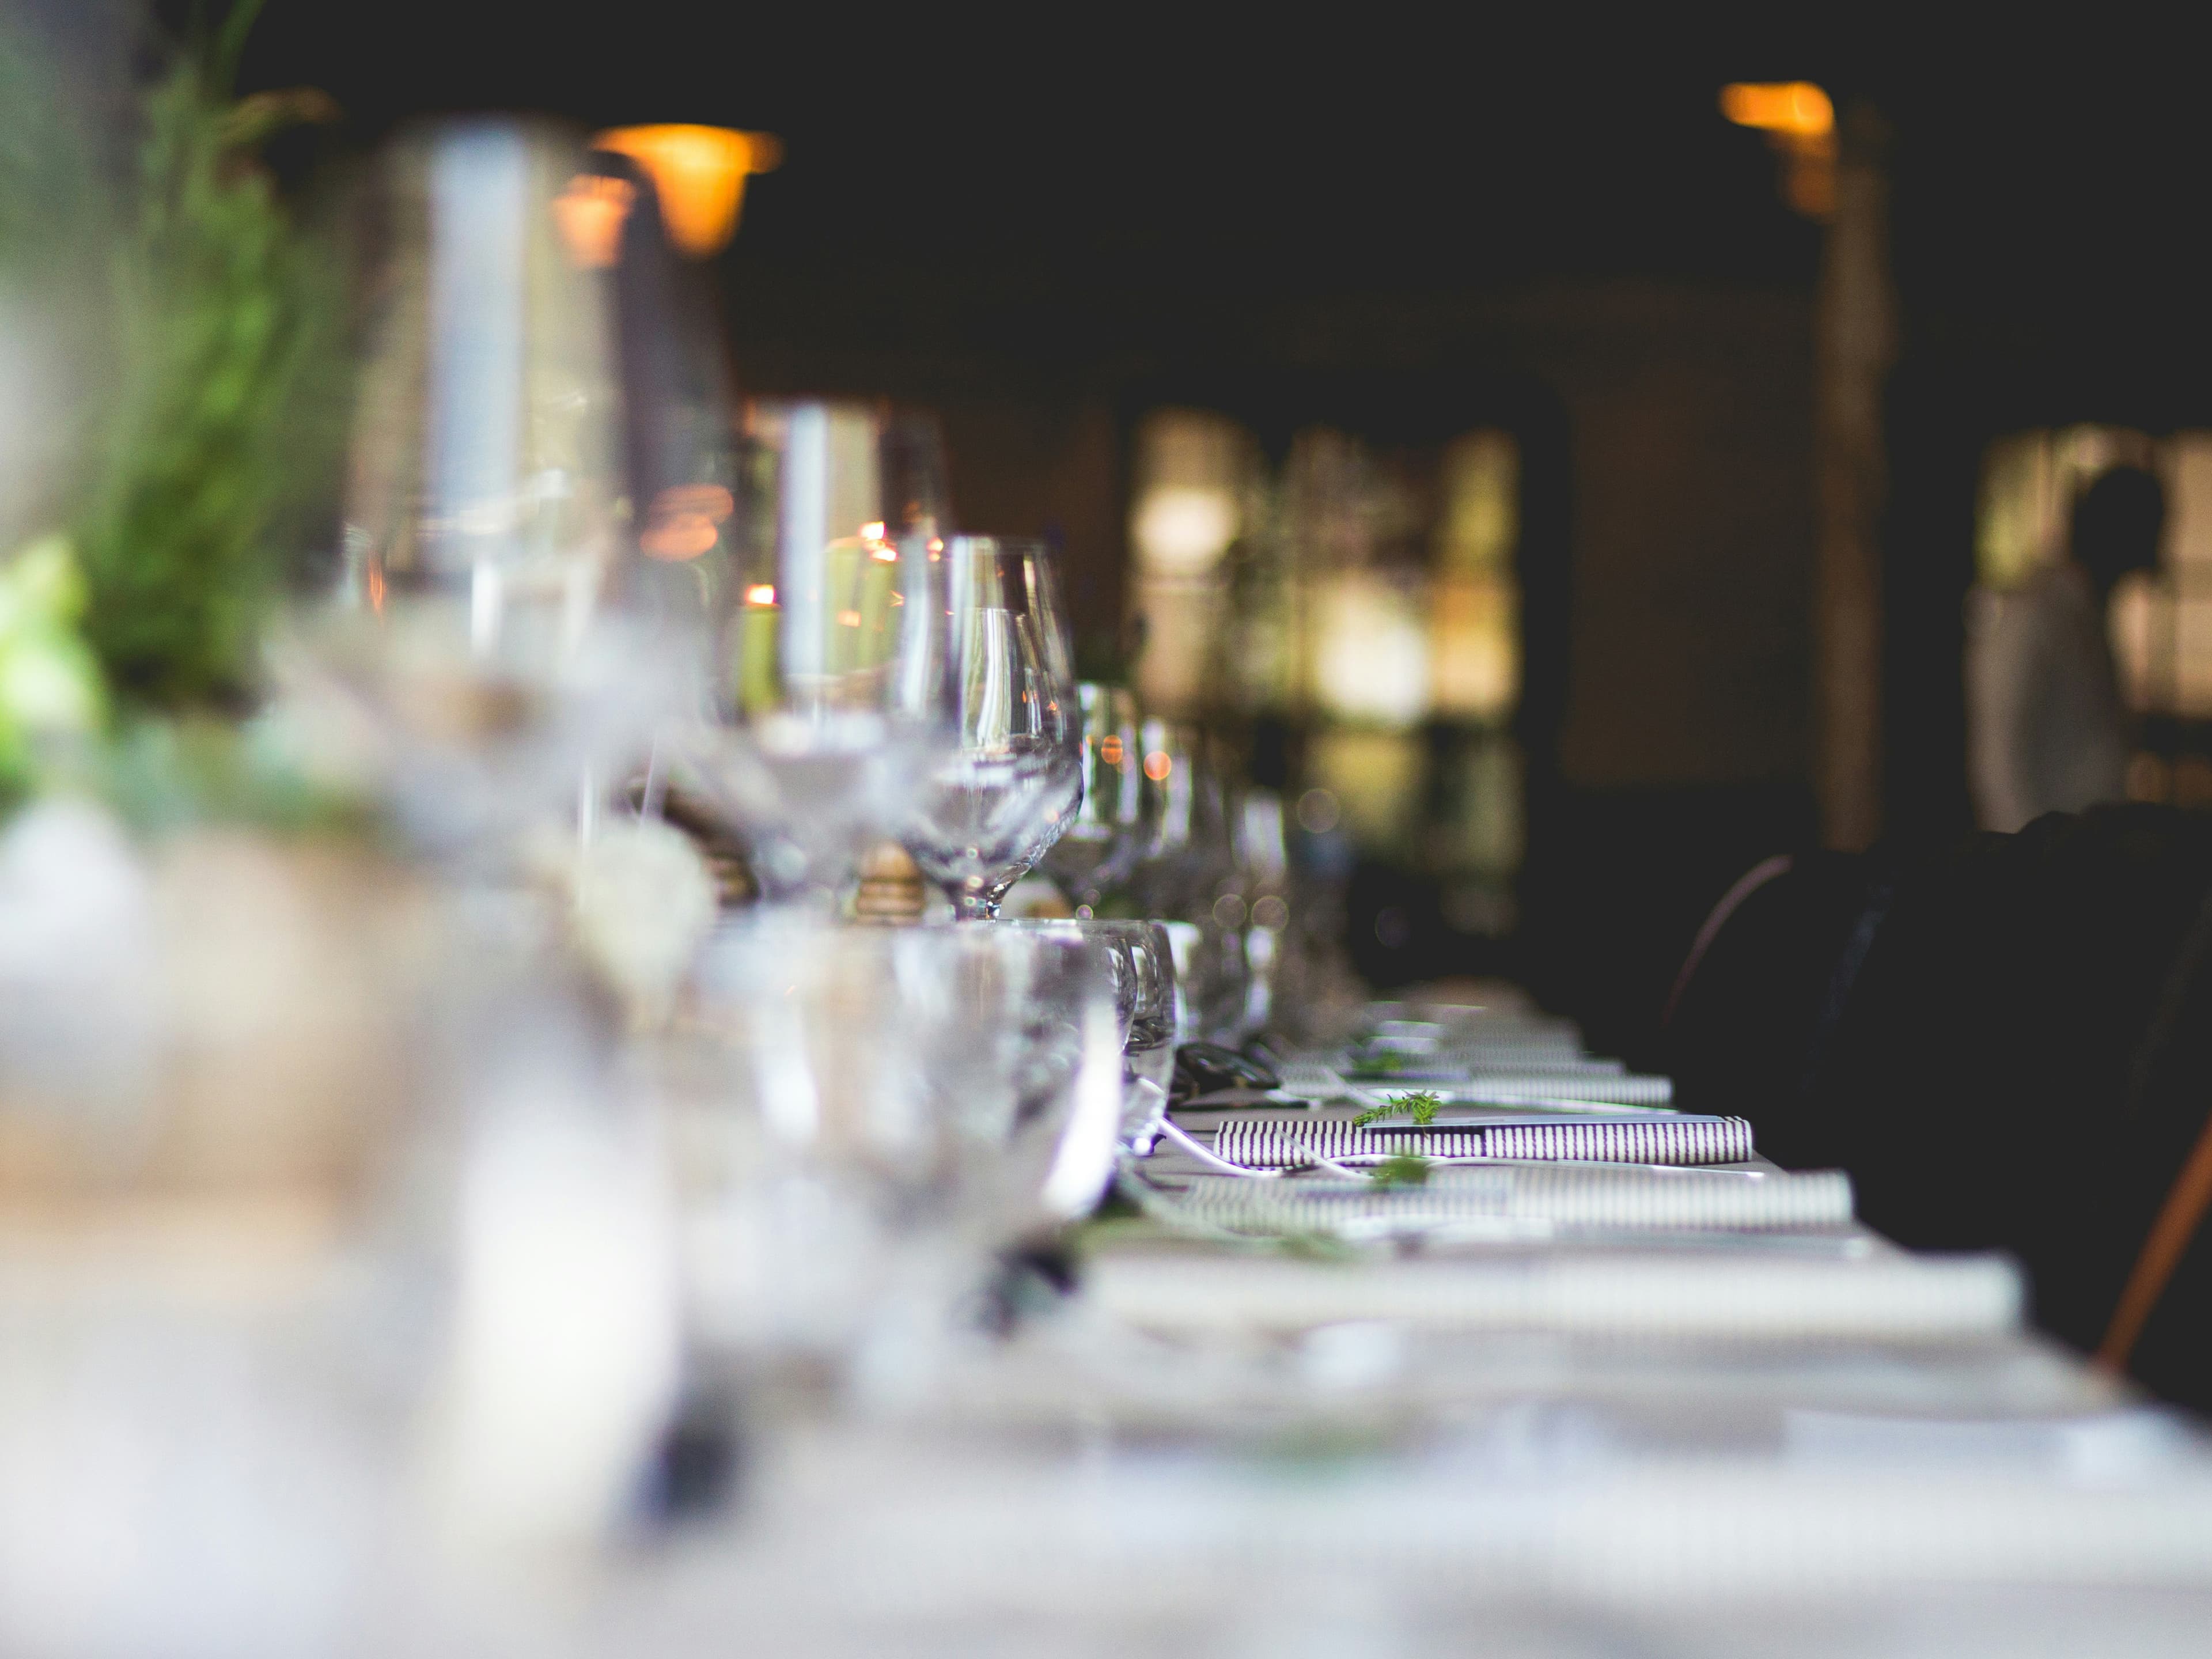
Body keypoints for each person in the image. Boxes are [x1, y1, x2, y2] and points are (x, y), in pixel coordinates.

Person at [1966, 464, 2166, 832]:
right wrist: (2028, 865)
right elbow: (1998, 761)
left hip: (2078, 858)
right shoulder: (2036, 617)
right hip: (2045, 867)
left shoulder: (2086, 616)